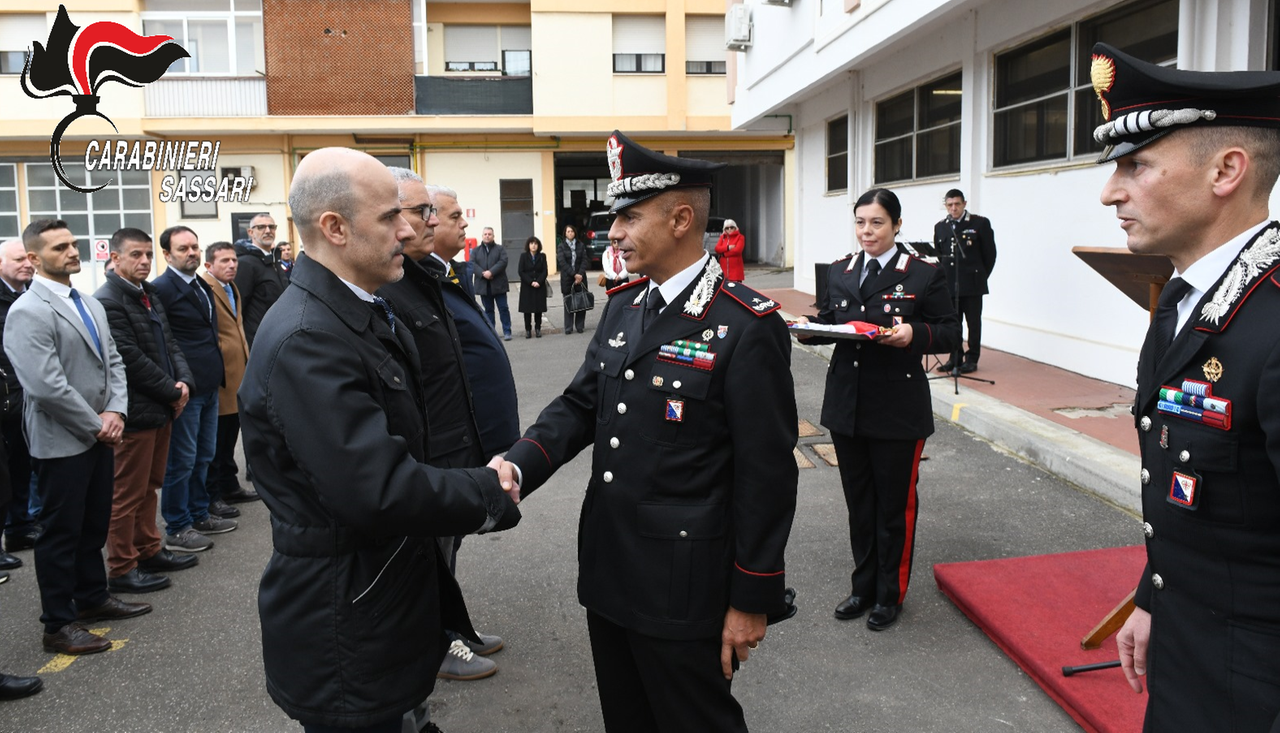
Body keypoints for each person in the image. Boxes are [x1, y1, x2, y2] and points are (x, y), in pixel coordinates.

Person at [497, 131, 799, 731]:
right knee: (627, 718)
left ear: (681, 219)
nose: (613, 233)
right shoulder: (626, 303)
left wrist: (751, 597)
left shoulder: (744, 325)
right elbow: (582, 404)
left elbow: (766, 474)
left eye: (629, 217)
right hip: (610, 568)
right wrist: (518, 464)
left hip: (684, 587)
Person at [239, 147, 519, 733]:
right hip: (346, 619)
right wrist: (487, 492)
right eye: (390, 216)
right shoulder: (309, 338)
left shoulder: (354, 310)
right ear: (334, 228)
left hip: (378, 598)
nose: (410, 228)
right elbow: (377, 488)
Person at [1090, 43, 1280, 730]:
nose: (1111, 191)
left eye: (1136, 165)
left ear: (1227, 170)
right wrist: (1152, 597)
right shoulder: (1181, 298)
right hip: (1186, 652)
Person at [797, 188, 959, 631]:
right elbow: (833, 319)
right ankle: (862, 587)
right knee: (859, 504)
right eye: (860, 222)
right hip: (847, 406)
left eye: (877, 223)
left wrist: (914, 335)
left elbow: (948, 332)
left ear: (897, 226)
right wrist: (809, 331)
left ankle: (890, 594)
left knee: (894, 507)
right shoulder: (841, 270)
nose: (867, 231)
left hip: (897, 408)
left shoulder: (924, 274)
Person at [379, 168, 504, 703]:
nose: (432, 221)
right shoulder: (394, 286)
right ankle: (439, 642)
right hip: (430, 455)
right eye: (421, 211)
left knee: (445, 553)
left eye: (437, 212)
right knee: (428, 557)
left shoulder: (426, 276)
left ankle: (454, 626)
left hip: (455, 443)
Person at [4, 219, 150, 656]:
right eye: (59, 247)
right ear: (33, 259)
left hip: (100, 432)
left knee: (92, 524)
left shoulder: (88, 301)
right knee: (60, 532)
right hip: (63, 438)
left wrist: (117, 411)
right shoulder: (27, 311)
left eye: (73, 243)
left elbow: (114, 363)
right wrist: (97, 423)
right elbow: (46, 386)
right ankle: (57, 624)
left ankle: (91, 598)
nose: (72, 251)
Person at [93, 228, 199, 594]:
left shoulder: (149, 294)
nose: (143, 262)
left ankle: (148, 549)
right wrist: (172, 390)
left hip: (161, 408)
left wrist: (183, 382)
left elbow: (170, 345)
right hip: (136, 413)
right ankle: (122, 567)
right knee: (127, 493)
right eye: (135, 255)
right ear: (115, 258)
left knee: (149, 486)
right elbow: (128, 359)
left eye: (147, 255)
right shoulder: (108, 300)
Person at [152, 226, 235, 553]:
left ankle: (200, 513)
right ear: (168, 254)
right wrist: (176, 382)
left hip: (211, 383)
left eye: (195, 247)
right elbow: (165, 342)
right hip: (187, 388)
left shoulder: (201, 284)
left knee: (204, 455)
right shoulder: (162, 289)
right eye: (183, 248)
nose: (192, 253)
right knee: (182, 461)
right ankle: (178, 525)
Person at [199, 242, 258, 506]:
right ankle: (215, 494)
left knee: (229, 436)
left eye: (234, 260)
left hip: (238, 371)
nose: (232, 265)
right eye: (224, 261)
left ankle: (230, 486)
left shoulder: (231, 287)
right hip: (220, 374)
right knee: (215, 441)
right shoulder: (204, 288)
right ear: (209, 265)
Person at [0, 239, 38, 560]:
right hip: (5, 399)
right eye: (17, 260)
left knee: (23, 467)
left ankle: (20, 529)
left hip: (27, 397)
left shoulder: (32, 295)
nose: (26, 264)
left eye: (28, 259)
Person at [931, 189, 996, 375]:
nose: (953, 208)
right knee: (953, 323)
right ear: (945, 205)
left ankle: (972, 358)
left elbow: (990, 254)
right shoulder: (941, 227)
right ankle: (955, 357)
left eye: (957, 204)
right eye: (950, 205)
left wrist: (981, 275)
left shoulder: (979, 223)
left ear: (964, 204)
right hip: (949, 284)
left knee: (973, 323)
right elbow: (939, 254)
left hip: (973, 283)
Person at [234, 213, 290, 347]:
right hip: (258, 341)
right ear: (250, 232)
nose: (268, 231)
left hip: (280, 336)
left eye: (271, 227)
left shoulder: (274, 261)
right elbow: (239, 307)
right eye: (261, 227)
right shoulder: (245, 263)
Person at [471, 227, 512, 341]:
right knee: (488, 310)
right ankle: (492, 332)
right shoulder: (476, 251)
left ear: (493, 236)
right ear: (482, 236)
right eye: (485, 234)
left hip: (499, 285)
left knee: (503, 309)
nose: (487, 236)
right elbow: (472, 264)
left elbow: (503, 261)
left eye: (489, 234)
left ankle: (507, 331)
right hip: (484, 287)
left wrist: (491, 272)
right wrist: (483, 274)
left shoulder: (500, 249)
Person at [558, 224, 588, 334]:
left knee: (581, 302)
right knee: (568, 303)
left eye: (572, 231)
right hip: (568, 278)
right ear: (565, 233)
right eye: (568, 231)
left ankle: (580, 326)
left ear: (575, 232)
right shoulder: (561, 246)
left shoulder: (581, 245)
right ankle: (568, 327)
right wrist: (574, 275)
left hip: (581, 278)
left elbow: (585, 260)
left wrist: (579, 274)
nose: (570, 233)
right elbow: (562, 262)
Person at [517, 236, 548, 338]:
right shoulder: (523, 256)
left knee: (538, 308)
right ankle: (528, 330)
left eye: (535, 244)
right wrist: (531, 282)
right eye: (531, 243)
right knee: (527, 309)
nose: (533, 245)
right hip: (527, 286)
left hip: (539, 285)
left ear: (538, 245)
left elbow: (545, 271)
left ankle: (538, 328)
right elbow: (521, 271)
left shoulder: (542, 256)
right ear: (528, 245)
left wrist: (538, 281)